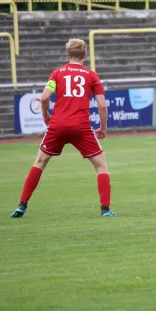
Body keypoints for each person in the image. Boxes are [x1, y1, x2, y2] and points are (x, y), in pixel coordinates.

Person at [10, 39, 116, 218]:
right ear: (84, 55)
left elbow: (44, 98)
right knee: (101, 166)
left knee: (40, 162)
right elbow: (102, 105)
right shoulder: (91, 75)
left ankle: (22, 205)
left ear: (68, 55)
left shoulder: (57, 73)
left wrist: (46, 116)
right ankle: (105, 209)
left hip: (57, 125)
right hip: (81, 127)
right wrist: (103, 128)